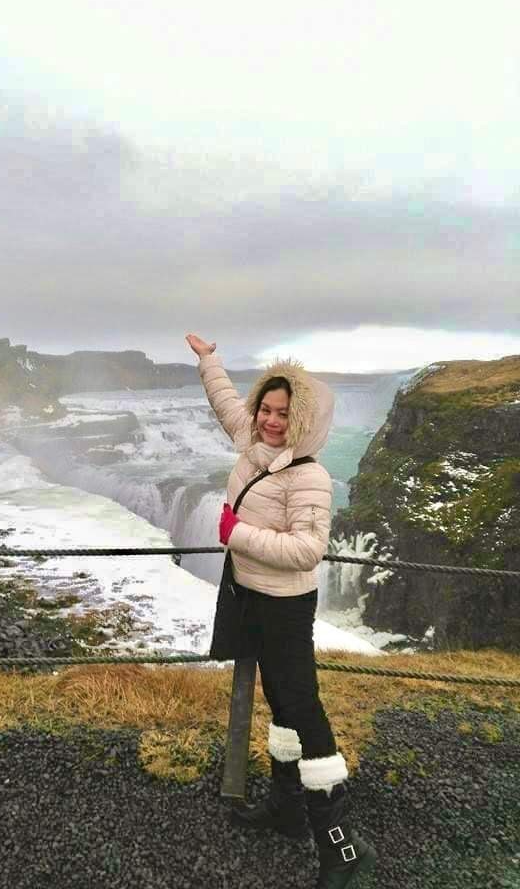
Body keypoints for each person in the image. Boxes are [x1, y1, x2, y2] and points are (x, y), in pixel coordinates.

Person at [185, 333, 376, 889]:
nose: (270, 420)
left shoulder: (310, 476)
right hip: (250, 596)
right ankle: (288, 812)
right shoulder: (251, 441)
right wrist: (209, 360)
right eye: (265, 409)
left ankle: (340, 846)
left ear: (303, 420)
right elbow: (225, 400)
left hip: (285, 605)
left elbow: (307, 552)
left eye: (283, 413)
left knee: (304, 709)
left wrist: (235, 533)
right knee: (282, 701)